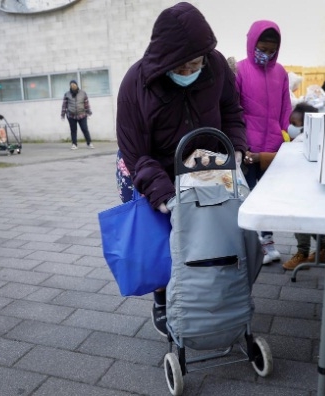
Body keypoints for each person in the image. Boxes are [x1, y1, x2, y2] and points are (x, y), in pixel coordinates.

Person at [115, 2, 247, 337]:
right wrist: (164, 198)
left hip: (203, 163)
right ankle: (162, 297)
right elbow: (136, 154)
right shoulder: (137, 84)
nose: (191, 71)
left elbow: (231, 111)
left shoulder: (215, 66)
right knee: (163, 238)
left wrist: (237, 150)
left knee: (205, 234)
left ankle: (209, 295)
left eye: (197, 63)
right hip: (150, 167)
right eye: (184, 65)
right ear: (167, 59)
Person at [236, 20, 291, 265]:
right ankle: (247, 245)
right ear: (252, 44)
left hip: (272, 149)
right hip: (247, 148)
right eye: (262, 48)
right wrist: (241, 145)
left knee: (268, 199)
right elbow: (234, 111)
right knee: (247, 197)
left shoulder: (281, 73)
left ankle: (267, 243)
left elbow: (286, 109)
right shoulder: (239, 70)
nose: (266, 54)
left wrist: (283, 136)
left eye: (271, 50)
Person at [282, 103, 325, 270]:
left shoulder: (302, 141)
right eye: (291, 122)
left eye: (295, 123)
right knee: (310, 221)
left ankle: (302, 253)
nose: (291, 127)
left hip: (301, 188)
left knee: (299, 221)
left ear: (308, 124)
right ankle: (323, 248)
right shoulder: (311, 137)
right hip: (310, 188)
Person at [61, 80, 94, 149]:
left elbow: (86, 104)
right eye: (71, 85)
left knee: (84, 129)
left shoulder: (83, 93)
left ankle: (89, 143)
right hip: (71, 115)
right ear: (70, 86)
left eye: (74, 84)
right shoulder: (67, 94)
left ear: (76, 85)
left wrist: (89, 112)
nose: (73, 86)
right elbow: (64, 105)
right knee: (73, 130)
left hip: (82, 115)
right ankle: (74, 144)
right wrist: (63, 114)